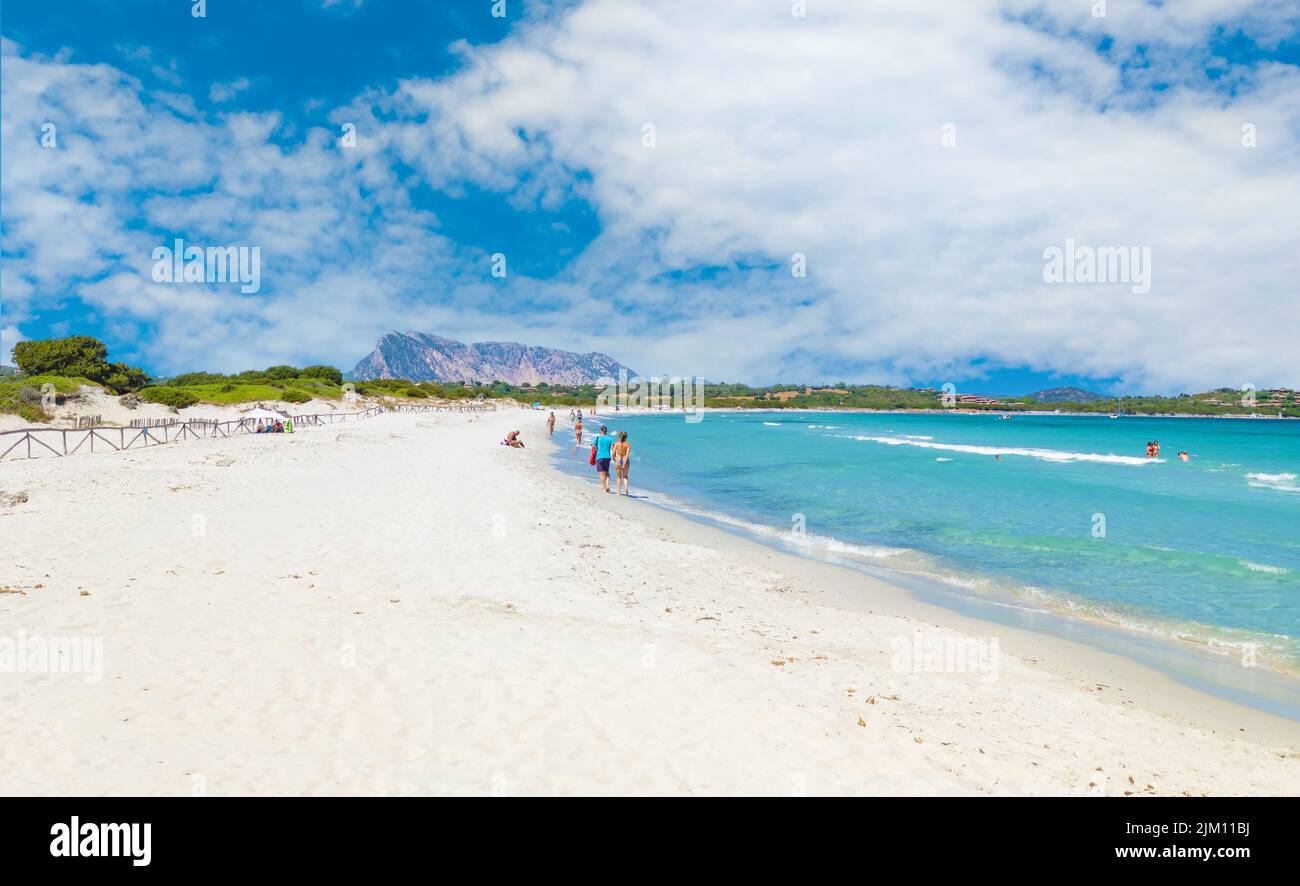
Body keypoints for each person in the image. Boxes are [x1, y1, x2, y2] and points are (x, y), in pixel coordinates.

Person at [592, 424, 615, 492]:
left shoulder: (598, 438)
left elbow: (593, 446)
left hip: (599, 456)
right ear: (606, 431)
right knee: (607, 472)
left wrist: (597, 449)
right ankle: (608, 486)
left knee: (601, 473)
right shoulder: (610, 439)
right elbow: (612, 448)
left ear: (601, 431)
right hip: (607, 457)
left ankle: (604, 487)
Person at [612, 431, 631, 495]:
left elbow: (613, 453)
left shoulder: (616, 443)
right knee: (625, 476)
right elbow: (627, 455)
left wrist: (615, 460)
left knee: (619, 477)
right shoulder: (628, 444)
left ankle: (618, 492)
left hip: (618, 460)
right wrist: (624, 463)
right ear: (626, 437)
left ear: (619, 436)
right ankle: (626, 487)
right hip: (625, 460)